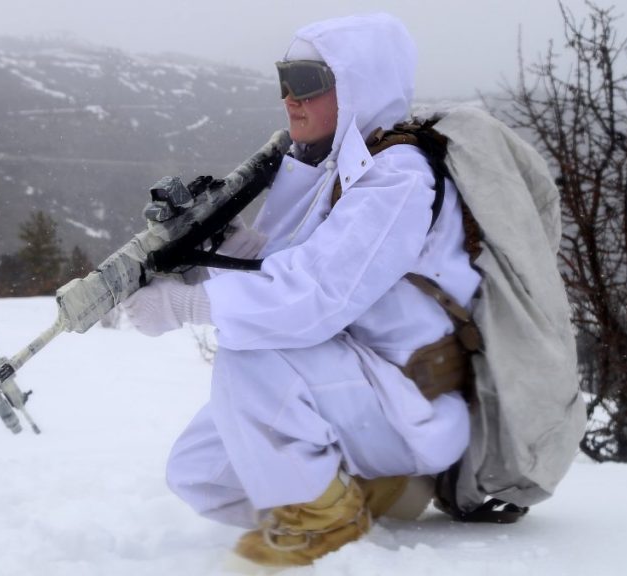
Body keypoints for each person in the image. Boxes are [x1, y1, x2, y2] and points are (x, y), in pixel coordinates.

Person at [122, 13, 481, 567]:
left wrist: (181, 304)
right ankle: (379, 490)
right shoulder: (338, 164)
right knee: (200, 474)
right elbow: (291, 268)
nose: (291, 97)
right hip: (353, 382)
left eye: (310, 80)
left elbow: (313, 297)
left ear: (360, 82)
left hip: (408, 393)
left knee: (247, 354)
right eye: (284, 79)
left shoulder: (399, 177)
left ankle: (322, 517)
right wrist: (226, 248)